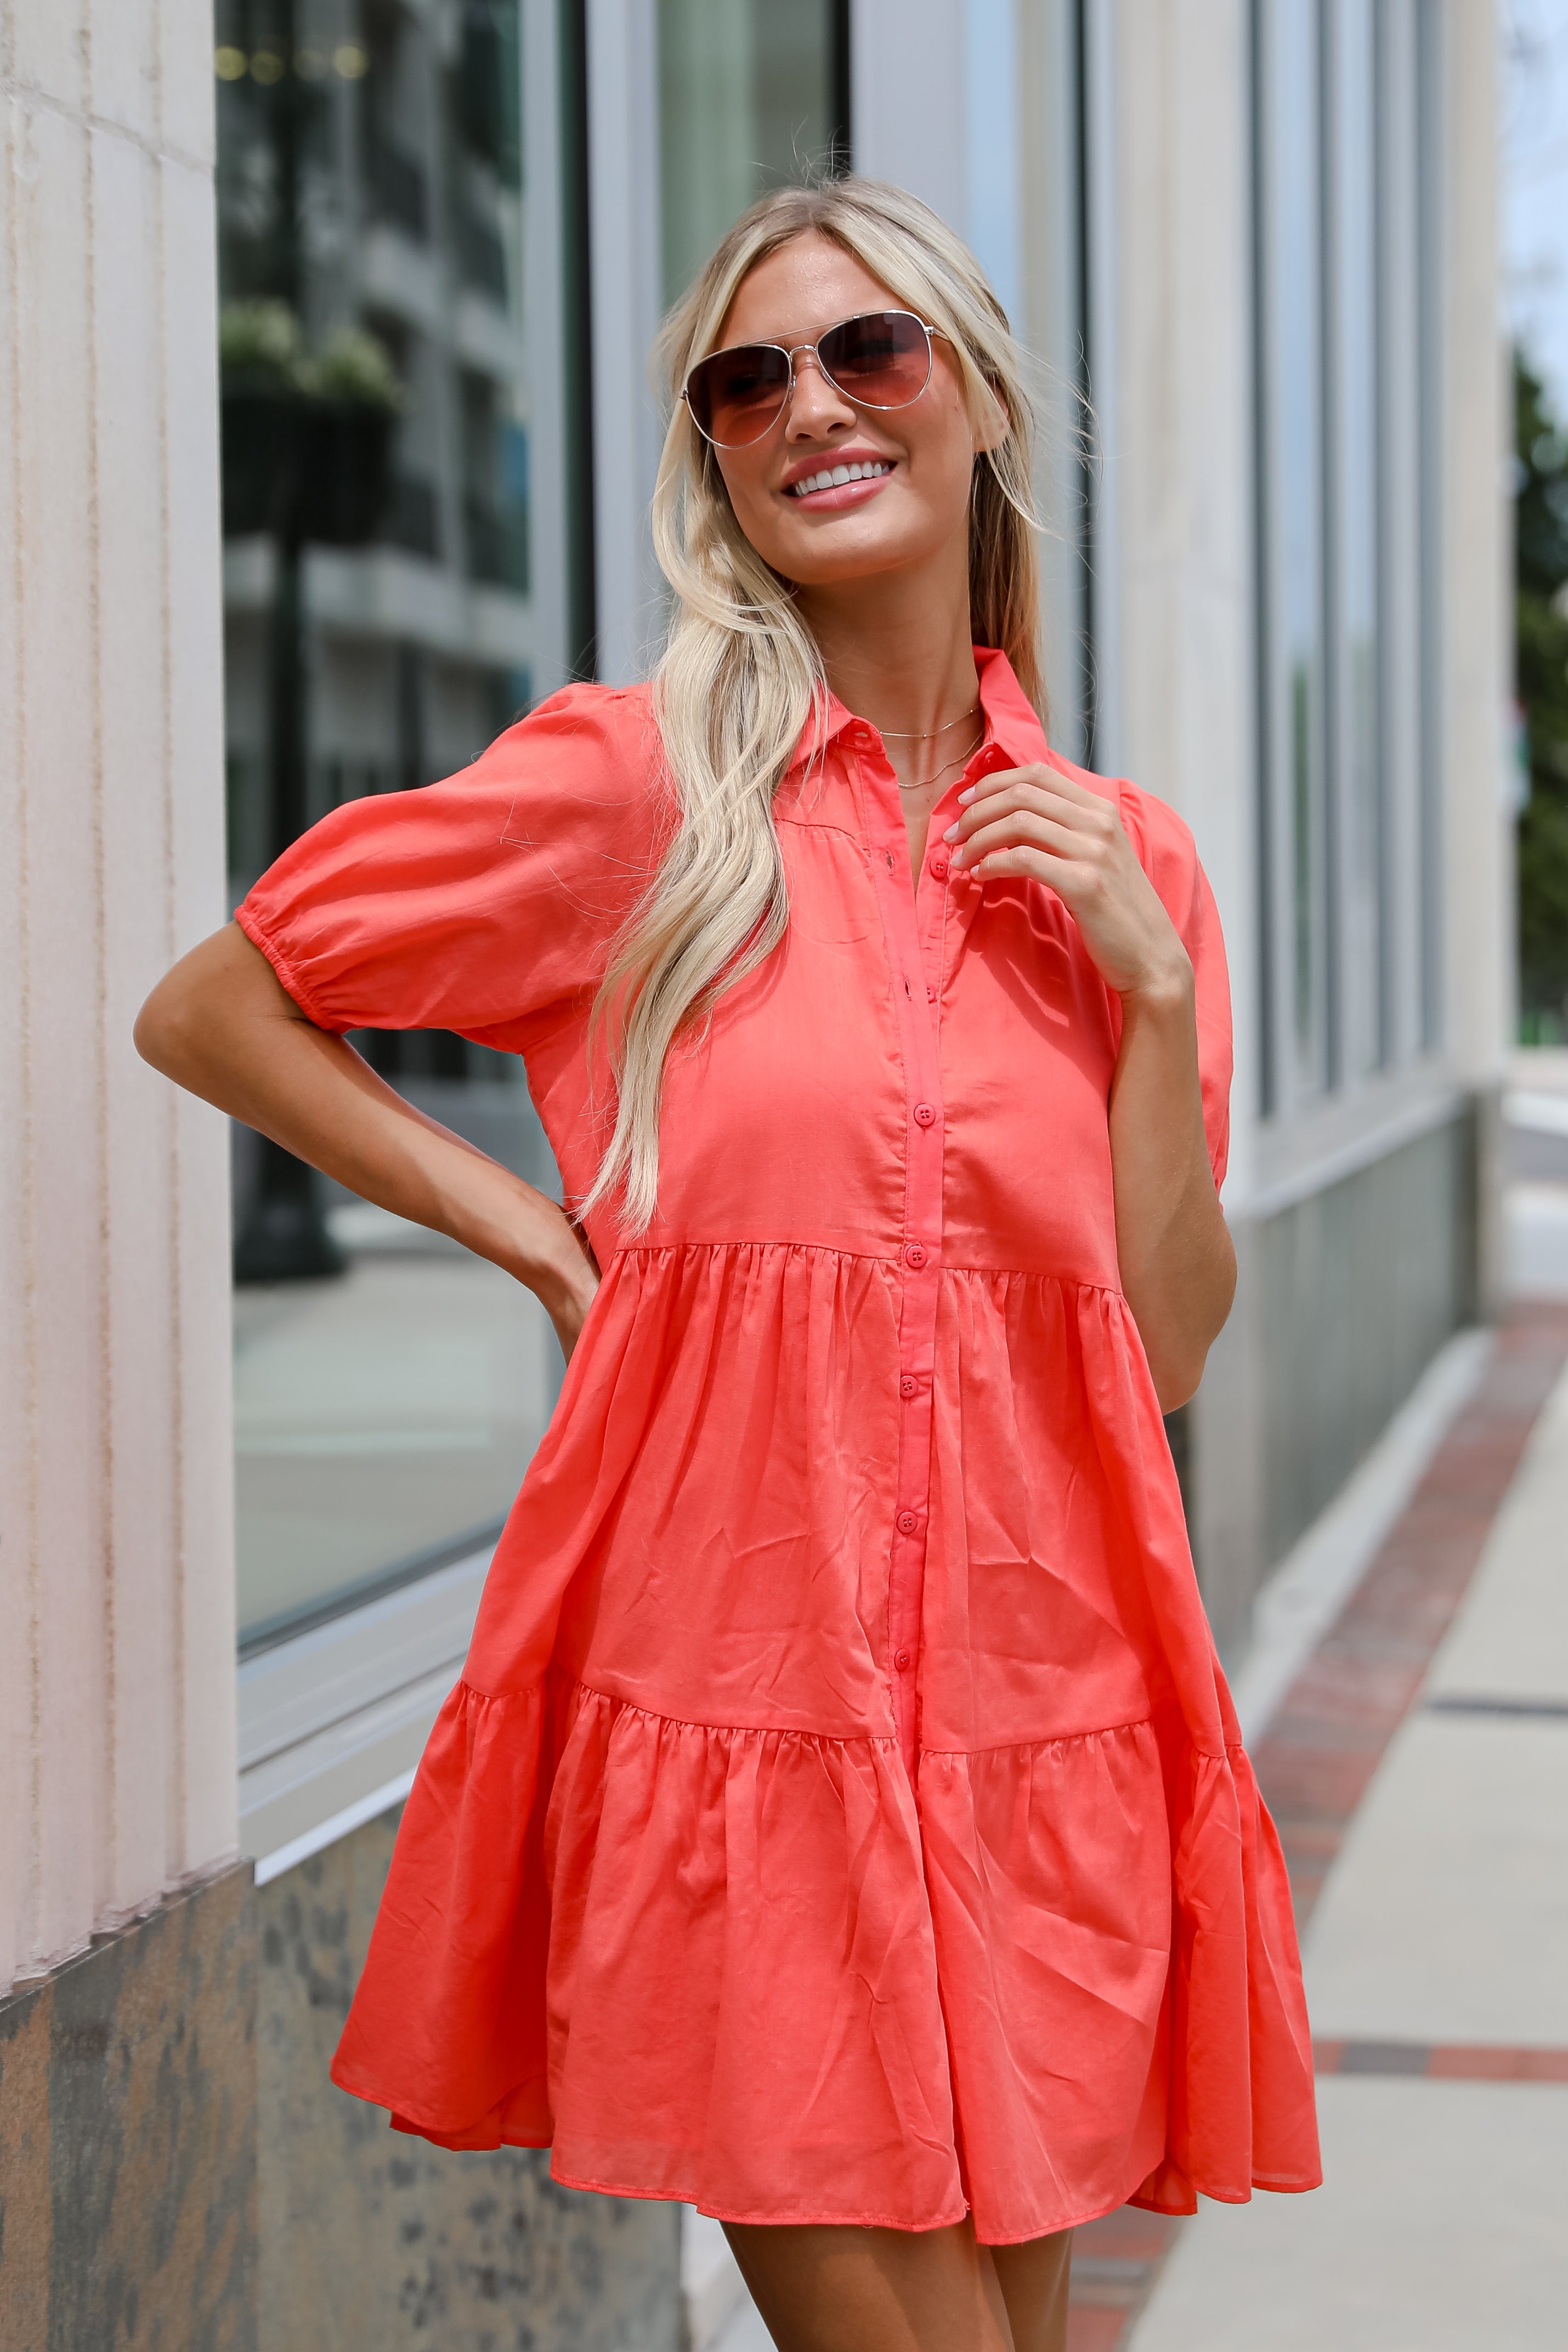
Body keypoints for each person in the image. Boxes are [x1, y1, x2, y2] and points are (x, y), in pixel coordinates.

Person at [138, 177, 1319, 2352]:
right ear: (713, 453)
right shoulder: (638, 787)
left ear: (969, 403)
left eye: (867, 352)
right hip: (739, 1705)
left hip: (1038, 1719)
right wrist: (542, 1237)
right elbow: (220, 1001)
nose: (810, 408)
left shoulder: (1123, 859)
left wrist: (1152, 994)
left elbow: (1163, 1328)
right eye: (745, 379)